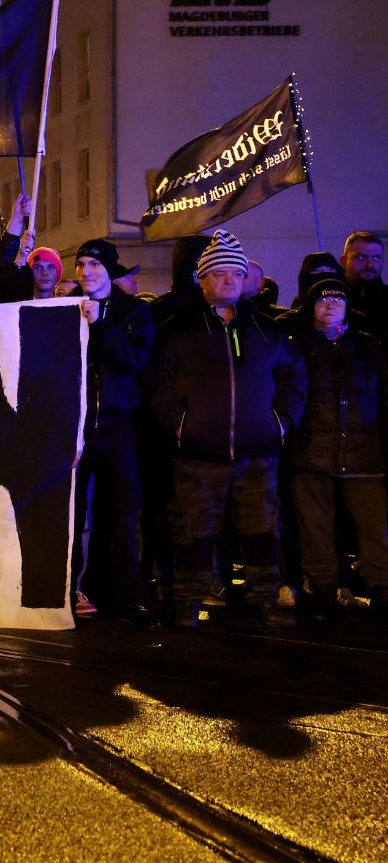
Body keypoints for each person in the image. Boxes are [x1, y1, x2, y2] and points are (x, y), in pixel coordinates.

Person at [146, 230, 306, 629]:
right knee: (193, 533)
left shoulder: (267, 329)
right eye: (218, 274)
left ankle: (265, 599)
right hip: (200, 453)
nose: (229, 280)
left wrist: (281, 423)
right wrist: (181, 424)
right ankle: (187, 603)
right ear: (202, 280)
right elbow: (158, 383)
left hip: (258, 452)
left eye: (235, 274)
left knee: (261, 530)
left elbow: (293, 378)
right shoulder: (178, 329)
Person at [284, 278, 388, 622]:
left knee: (374, 526)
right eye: (323, 300)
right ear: (310, 306)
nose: (331, 306)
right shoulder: (295, 344)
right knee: (315, 526)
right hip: (311, 451)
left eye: (338, 301)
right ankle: (324, 590)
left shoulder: (368, 346)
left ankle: (383, 589)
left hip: (364, 452)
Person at [70, 240, 157, 627]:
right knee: (70, 516)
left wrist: (100, 325)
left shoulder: (134, 312)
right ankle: (68, 591)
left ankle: (127, 597)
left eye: (94, 265)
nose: (87, 272)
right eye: (81, 264)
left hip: (118, 427)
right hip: (76, 427)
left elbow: (133, 360)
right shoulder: (64, 308)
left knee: (120, 515)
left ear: (110, 270)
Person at [340, 230, 386, 335]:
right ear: (344, 261)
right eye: (360, 257)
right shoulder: (328, 300)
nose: (369, 264)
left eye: (376, 258)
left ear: (382, 262)